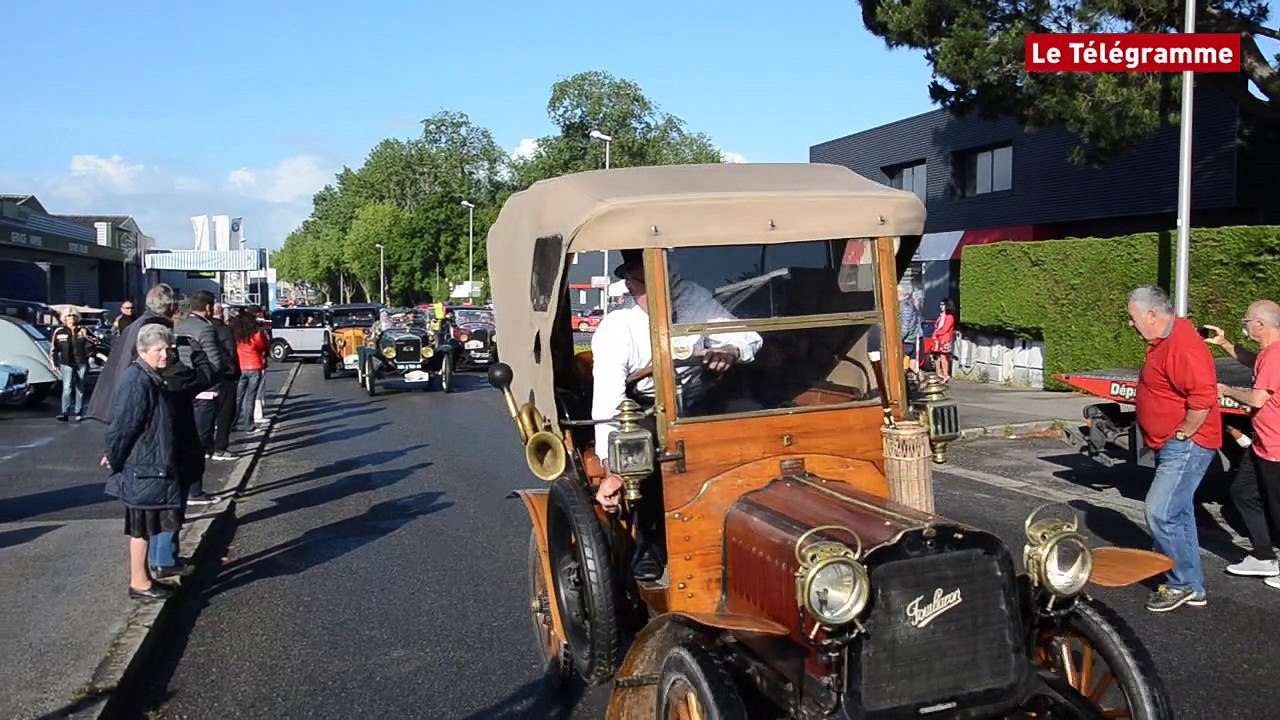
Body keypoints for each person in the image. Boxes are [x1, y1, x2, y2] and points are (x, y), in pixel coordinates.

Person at [591, 249, 762, 511]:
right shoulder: (616, 329)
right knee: (640, 450)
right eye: (648, 284)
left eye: (666, 282)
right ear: (630, 286)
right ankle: (651, 526)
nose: (661, 293)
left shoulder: (692, 298)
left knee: (753, 424)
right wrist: (611, 471)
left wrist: (730, 350)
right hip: (645, 409)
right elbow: (608, 403)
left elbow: (749, 338)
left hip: (699, 402)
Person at [1128, 285, 1222, 612]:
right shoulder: (1165, 340)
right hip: (1174, 443)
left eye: (1133, 317)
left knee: (1159, 510)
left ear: (1152, 315)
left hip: (1186, 445)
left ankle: (1182, 583)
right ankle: (1192, 586)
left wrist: (1182, 435)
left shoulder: (1182, 346)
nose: (1131, 324)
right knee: (1178, 513)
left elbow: (1203, 399)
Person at [101, 323, 183, 601]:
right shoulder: (137, 380)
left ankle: (143, 578)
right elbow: (123, 426)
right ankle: (139, 582)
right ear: (142, 351)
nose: (166, 355)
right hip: (144, 467)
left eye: (169, 349)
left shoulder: (148, 376)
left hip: (149, 465)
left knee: (146, 527)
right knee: (141, 528)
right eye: (160, 350)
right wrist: (113, 456)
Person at [1205, 301, 1280, 584]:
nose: (1244, 325)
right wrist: (1224, 343)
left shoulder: (1274, 356)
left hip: (1276, 449)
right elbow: (1252, 362)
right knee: (1243, 492)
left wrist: (1225, 390)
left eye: (1246, 321)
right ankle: (1263, 557)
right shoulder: (1268, 353)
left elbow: (1258, 399)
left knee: (1276, 507)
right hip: (1263, 444)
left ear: (1260, 324)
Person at [175, 290, 227, 463]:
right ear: (208, 307)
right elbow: (215, 363)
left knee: (184, 435)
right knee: (201, 437)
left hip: (181, 387)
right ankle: (195, 488)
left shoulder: (178, 326)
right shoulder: (205, 328)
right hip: (204, 390)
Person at [208, 303, 241, 460]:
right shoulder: (224, 330)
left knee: (206, 413)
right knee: (225, 413)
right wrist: (233, 371)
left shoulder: (204, 328)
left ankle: (207, 446)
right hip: (225, 377)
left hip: (205, 375)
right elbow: (231, 354)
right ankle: (220, 448)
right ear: (221, 314)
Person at [50, 310, 92, 422]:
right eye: (69, 316)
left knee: (80, 387)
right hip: (66, 362)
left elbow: (95, 342)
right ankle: (65, 412)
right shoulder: (59, 332)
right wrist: (54, 364)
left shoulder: (83, 329)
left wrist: (86, 335)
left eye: (74, 316)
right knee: (67, 388)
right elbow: (54, 349)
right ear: (64, 318)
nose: (71, 318)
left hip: (81, 362)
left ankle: (79, 412)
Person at [234, 311, 270, 433]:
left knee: (238, 397)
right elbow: (263, 347)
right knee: (250, 397)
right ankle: (249, 425)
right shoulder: (256, 335)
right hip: (255, 365)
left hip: (241, 366)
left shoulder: (237, 336)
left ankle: (233, 422)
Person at [898, 285, 923, 383]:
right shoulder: (907, 304)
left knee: (902, 365)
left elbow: (905, 326)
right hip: (910, 339)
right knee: (910, 364)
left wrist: (898, 338)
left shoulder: (905, 306)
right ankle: (921, 379)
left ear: (900, 293)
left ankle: (920, 379)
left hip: (907, 340)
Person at [930, 298, 957, 383]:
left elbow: (945, 328)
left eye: (943, 305)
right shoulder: (941, 315)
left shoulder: (950, 317)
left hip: (945, 339)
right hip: (938, 339)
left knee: (943, 357)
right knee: (937, 356)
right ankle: (939, 373)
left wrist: (936, 333)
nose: (941, 306)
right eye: (940, 305)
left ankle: (946, 375)